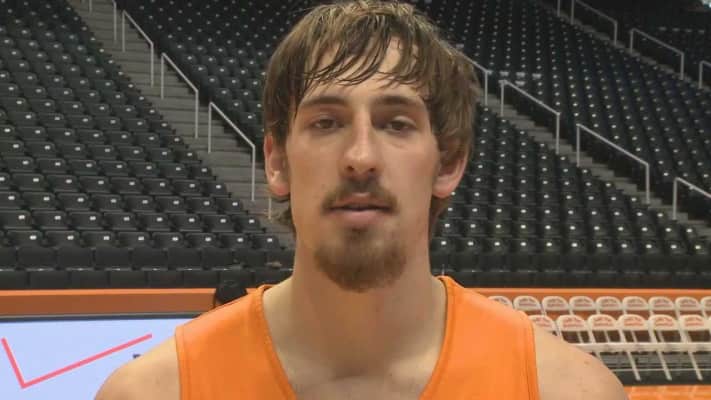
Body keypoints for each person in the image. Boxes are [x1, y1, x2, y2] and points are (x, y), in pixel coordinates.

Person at [96, 1, 627, 399]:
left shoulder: (566, 391)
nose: (360, 158)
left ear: (448, 164)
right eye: (326, 122)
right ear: (277, 162)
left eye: (396, 123)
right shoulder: (155, 392)